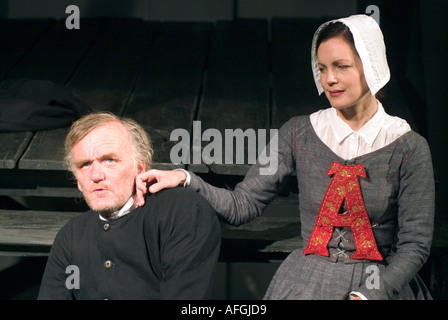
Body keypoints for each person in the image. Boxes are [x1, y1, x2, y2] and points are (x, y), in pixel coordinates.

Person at [135, 14, 435, 300]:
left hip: (378, 285)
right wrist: (185, 179)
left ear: (371, 65)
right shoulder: (298, 132)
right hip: (307, 282)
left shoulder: (407, 147)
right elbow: (243, 204)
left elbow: (414, 246)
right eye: (322, 68)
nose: (330, 79)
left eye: (341, 66)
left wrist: (370, 293)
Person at [38, 112, 221, 300]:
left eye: (109, 160)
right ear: (77, 180)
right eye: (84, 164)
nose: (95, 175)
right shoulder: (71, 235)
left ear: (140, 169)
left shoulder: (181, 212)